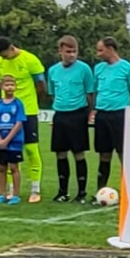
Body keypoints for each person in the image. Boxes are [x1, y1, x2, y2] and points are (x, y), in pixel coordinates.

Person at [0, 36, 49, 203]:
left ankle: (35, 189)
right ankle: (10, 190)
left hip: (27, 111)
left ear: (12, 48)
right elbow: (1, 84)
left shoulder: (30, 59)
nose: (3, 58)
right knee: (8, 152)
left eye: (5, 54)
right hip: (6, 113)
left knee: (31, 149)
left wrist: (35, 102)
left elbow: (41, 84)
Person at [47, 35, 97, 204]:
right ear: (60, 51)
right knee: (60, 153)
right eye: (68, 51)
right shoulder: (53, 71)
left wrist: (88, 113)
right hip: (60, 114)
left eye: (74, 51)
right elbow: (53, 93)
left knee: (78, 153)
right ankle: (63, 191)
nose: (72, 55)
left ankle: (81, 193)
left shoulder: (84, 69)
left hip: (78, 114)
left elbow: (90, 94)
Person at [91, 37, 130, 197]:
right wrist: (93, 110)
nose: (98, 54)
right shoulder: (98, 69)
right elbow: (94, 91)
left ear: (110, 49)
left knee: (123, 154)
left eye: (101, 50)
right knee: (103, 154)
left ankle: (129, 191)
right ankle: (100, 191)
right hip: (102, 115)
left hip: (120, 115)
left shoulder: (127, 68)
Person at [0, 73, 27, 206]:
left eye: (12, 85)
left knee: (14, 167)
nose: (9, 87)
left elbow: (19, 123)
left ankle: (15, 195)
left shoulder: (18, 104)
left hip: (14, 142)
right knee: (2, 168)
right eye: (7, 85)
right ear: (2, 87)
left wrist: (7, 140)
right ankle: (2, 194)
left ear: (15, 87)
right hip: (1, 143)